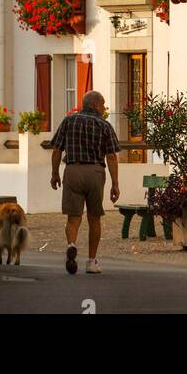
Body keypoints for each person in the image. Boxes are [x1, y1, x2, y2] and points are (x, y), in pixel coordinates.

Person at [49, 88, 121, 274]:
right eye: (103, 105)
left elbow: (56, 150)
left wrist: (55, 173)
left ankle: (71, 244)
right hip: (95, 172)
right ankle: (91, 261)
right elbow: (111, 156)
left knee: (73, 217)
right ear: (96, 105)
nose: (105, 109)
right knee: (94, 218)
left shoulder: (69, 120)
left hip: (73, 170)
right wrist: (115, 183)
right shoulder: (104, 125)